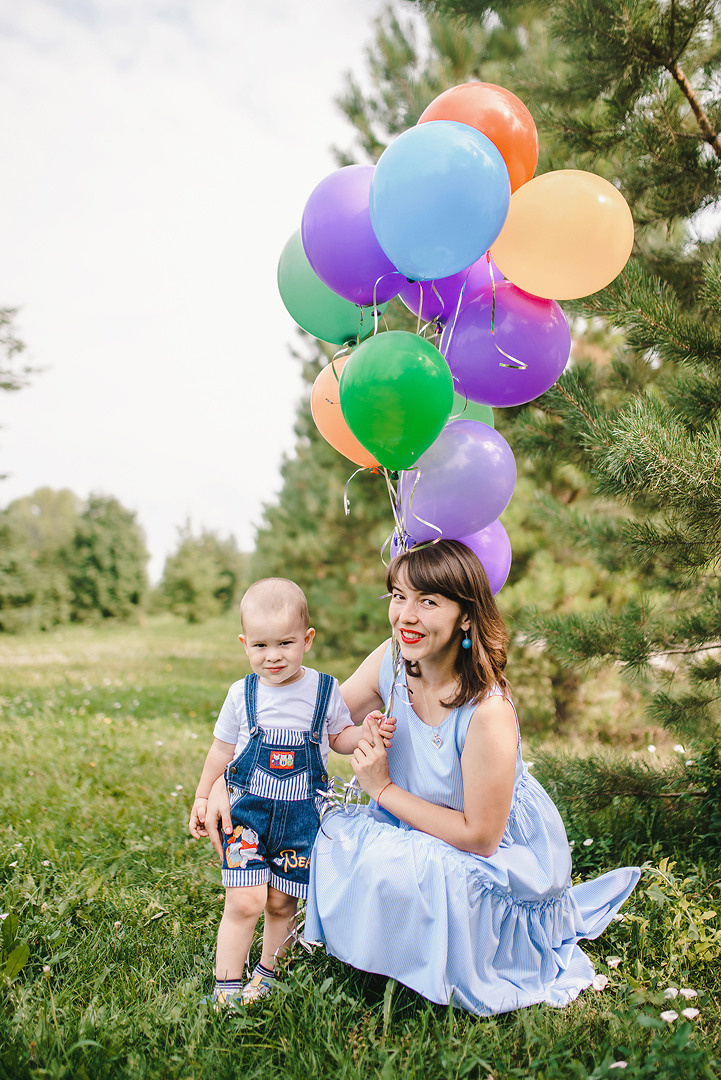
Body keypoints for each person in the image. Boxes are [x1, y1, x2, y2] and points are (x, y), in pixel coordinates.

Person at [206, 543, 640, 1015]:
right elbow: (304, 723)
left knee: (435, 872)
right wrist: (224, 782)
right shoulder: (393, 659)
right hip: (411, 820)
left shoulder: (488, 711)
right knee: (332, 837)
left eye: (428, 601)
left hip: (488, 848)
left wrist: (382, 789)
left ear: (466, 616)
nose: (405, 616)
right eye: (398, 596)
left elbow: (481, 837)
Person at [189, 576, 393, 1007]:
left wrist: (365, 733)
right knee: (245, 901)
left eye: (285, 643)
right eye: (260, 645)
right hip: (246, 817)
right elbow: (221, 751)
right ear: (244, 644)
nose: (273, 656)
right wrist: (204, 796)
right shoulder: (241, 694)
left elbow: (338, 737)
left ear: (307, 639)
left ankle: (268, 975)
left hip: (301, 819)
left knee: (282, 903)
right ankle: (226, 987)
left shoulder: (323, 690)